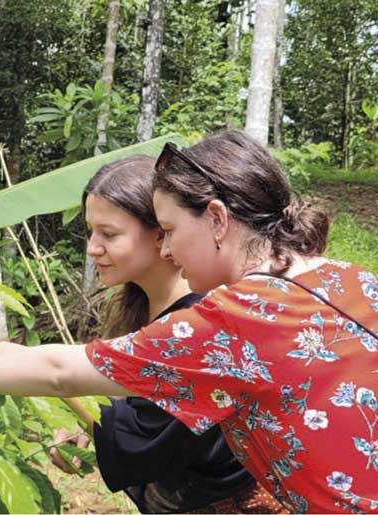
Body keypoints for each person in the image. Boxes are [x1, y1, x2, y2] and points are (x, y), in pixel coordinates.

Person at [0, 129, 378, 514]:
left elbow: (59, 372)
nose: (170, 249)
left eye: (173, 231)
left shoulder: (236, 320)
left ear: (214, 219)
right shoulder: (358, 280)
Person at [42, 155, 284, 513]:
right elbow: (140, 409)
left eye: (108, 234)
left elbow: (158, 440)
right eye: (90, 232)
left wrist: (64, 387)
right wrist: (90, 429)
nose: (92, 247)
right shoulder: (142, 309)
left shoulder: (200, 322)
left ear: (163, 233)